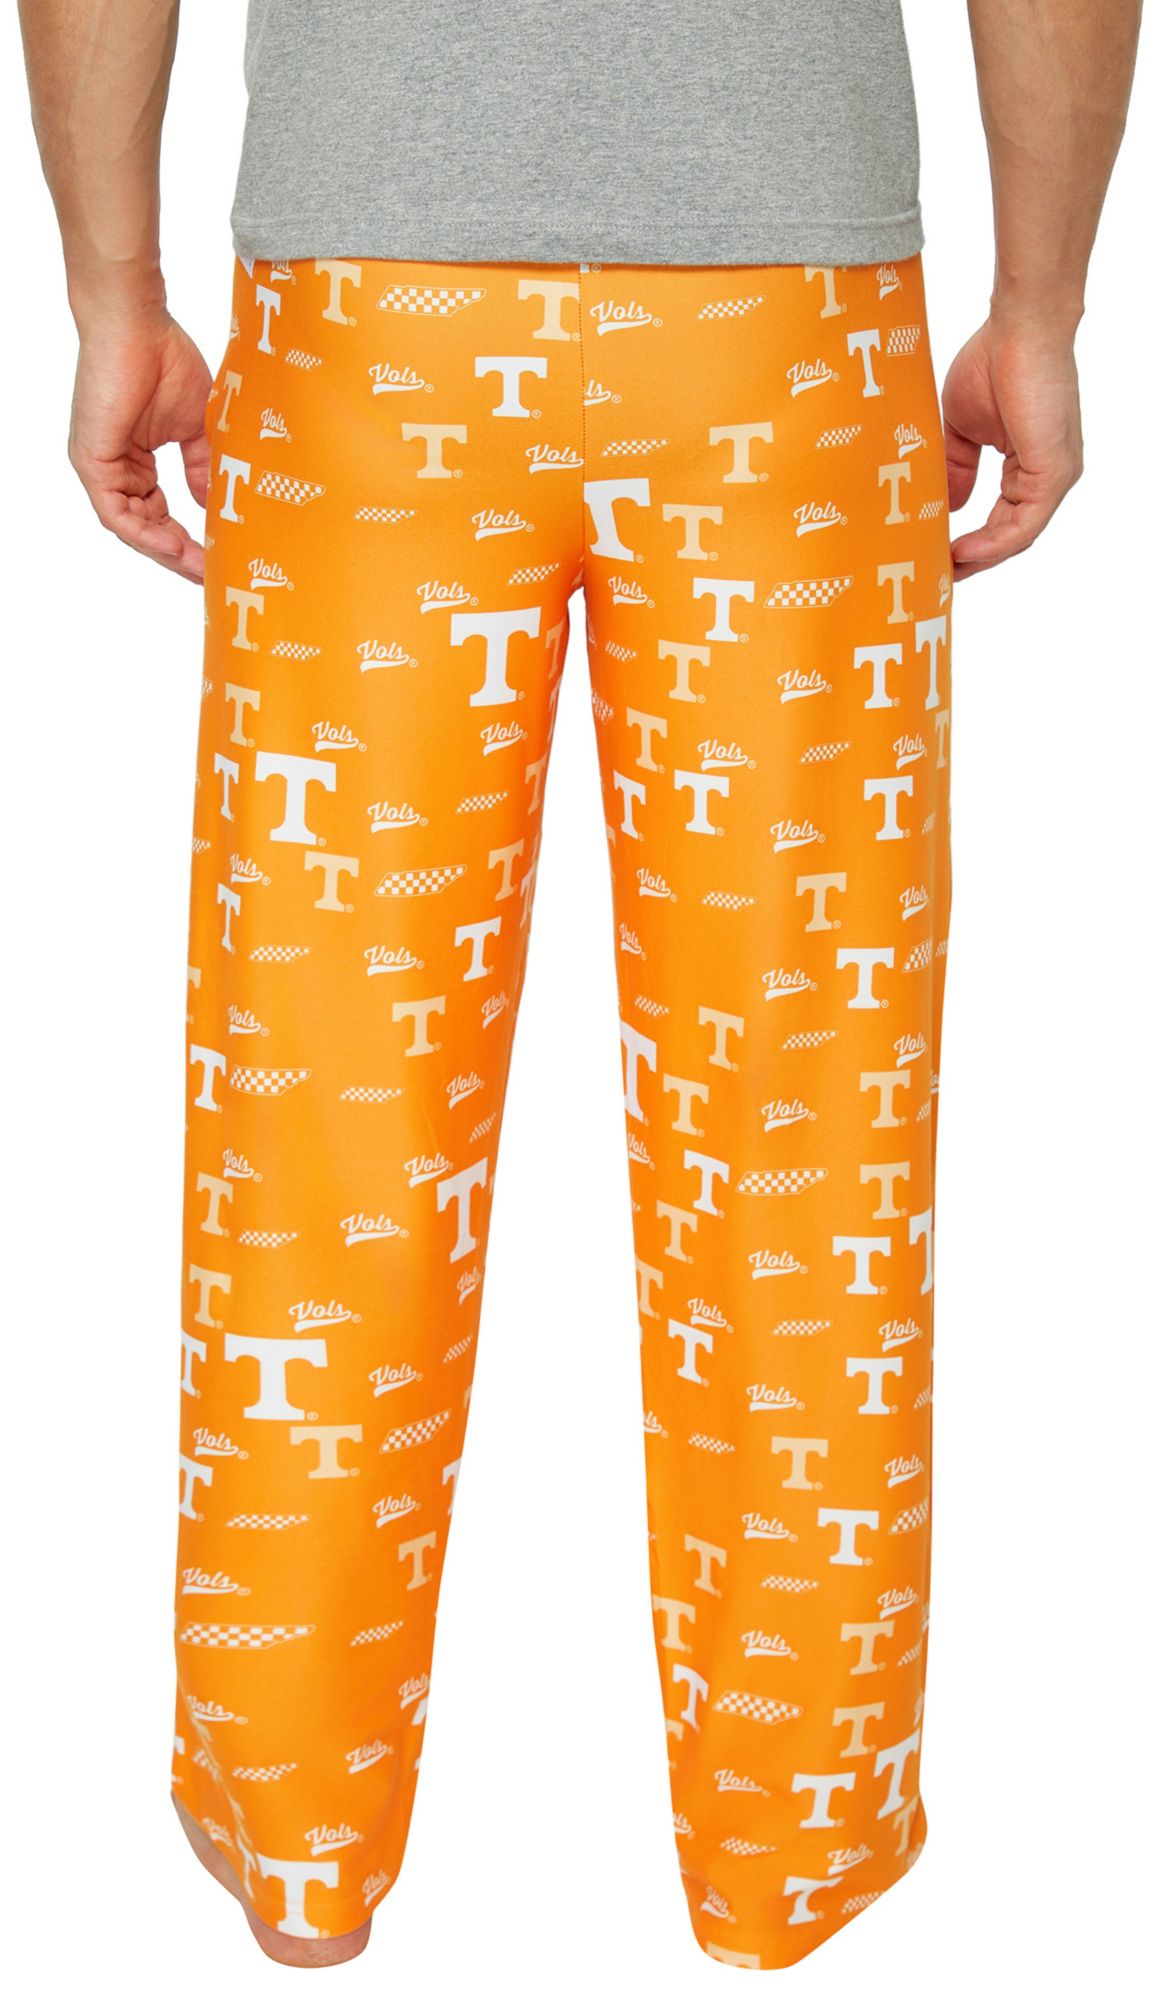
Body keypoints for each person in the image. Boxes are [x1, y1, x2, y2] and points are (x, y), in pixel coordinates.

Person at [17, 0, 1141, 1973]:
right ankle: (793, 1858)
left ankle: (295, 1842)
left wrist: (115, 284)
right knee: (800, 1136)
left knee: (329, 1127)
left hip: (368, 322)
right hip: (787, 324)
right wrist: (1037, 302)